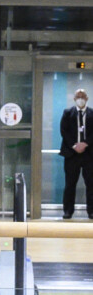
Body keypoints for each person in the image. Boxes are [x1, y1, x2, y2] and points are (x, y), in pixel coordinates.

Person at [59, 88, 93, 219]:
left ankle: (91, 211)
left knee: (91, 184)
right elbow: (64, 131)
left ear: (87, 98)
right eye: (78, 96)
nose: (80, 99)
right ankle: (68, 211)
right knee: (70, 184)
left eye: (83, 96)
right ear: (74, 99)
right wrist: (75, 145)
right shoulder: (68, 113)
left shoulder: (92, 113)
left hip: (89, 154)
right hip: (71, 154)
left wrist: (85, 144)